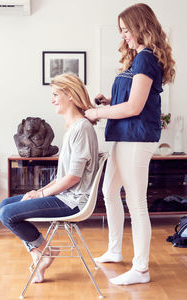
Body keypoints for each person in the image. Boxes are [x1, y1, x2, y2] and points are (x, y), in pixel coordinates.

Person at [85, 3, 175, 285]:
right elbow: (134, 99)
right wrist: (109, 101)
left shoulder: (146, 58)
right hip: (125, 136)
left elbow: (135, 107)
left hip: (137, 139)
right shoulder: (138, 59)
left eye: (126, 29)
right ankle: (114, 249)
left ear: (140, 27)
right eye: (121, 30)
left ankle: (141, 269)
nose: (123, 35)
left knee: (136, 204)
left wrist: (97, 113)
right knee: (109, 191)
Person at [0, 73, 99, 284]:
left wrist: (41, 193)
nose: (52, 99)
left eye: (55, 94)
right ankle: (42, 250)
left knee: (7, 214)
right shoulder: (73, 128)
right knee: (5, 204)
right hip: (65, 195)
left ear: (70, 95)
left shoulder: (82, 128)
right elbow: (64, 176)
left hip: (73, 201)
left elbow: (73, 177)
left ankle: (43, 251)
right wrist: (37, 192)